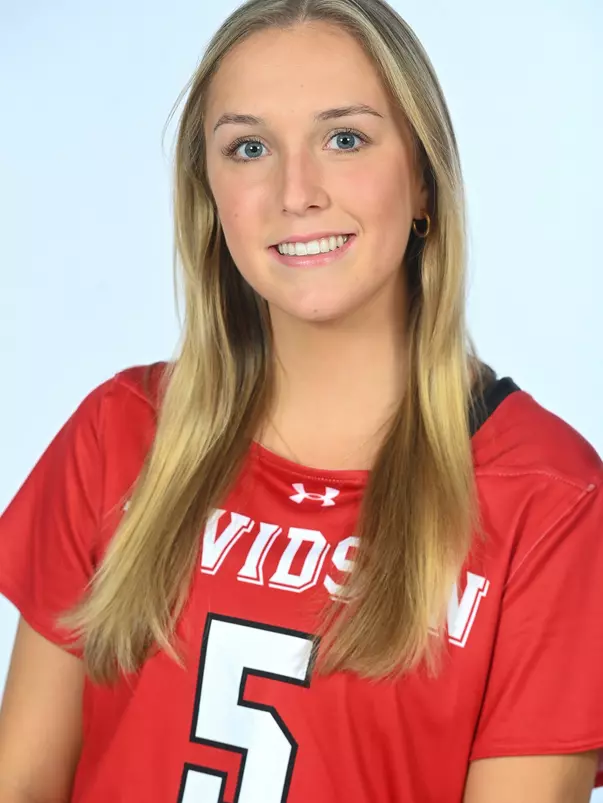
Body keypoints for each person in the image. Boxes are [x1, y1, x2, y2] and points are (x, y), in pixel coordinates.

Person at [0, 0, 602, 801]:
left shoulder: (552, 500)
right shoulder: (118, 433)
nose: (295, 191)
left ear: (422, 177)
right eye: (248, 148)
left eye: (344, 138)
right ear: (209, 195)